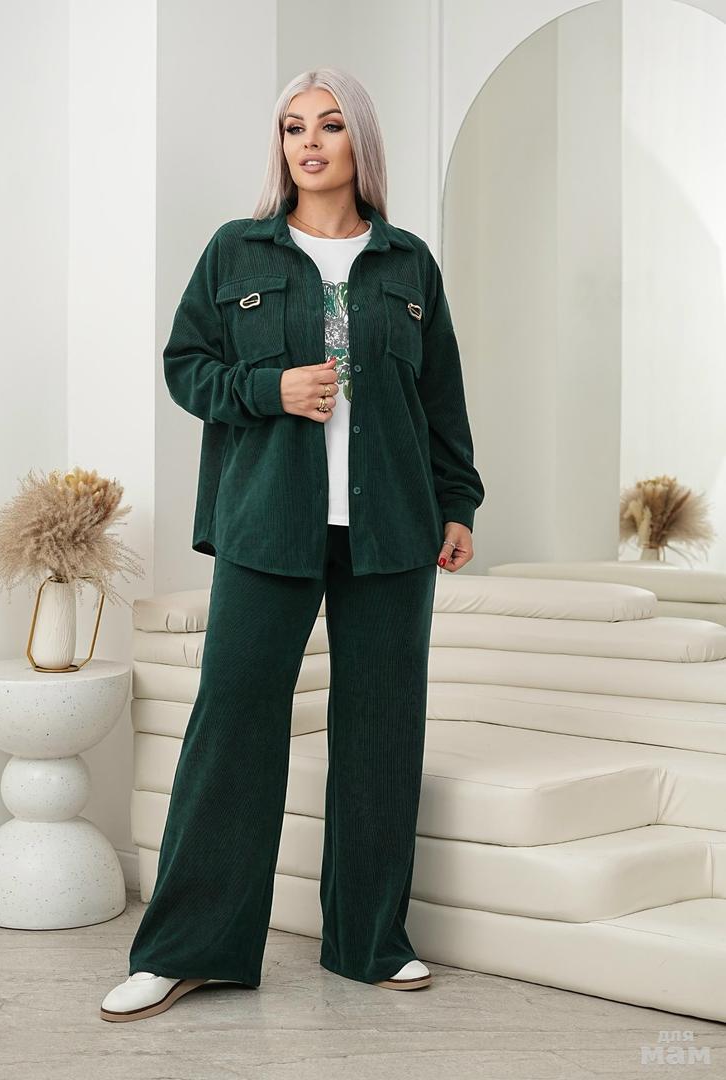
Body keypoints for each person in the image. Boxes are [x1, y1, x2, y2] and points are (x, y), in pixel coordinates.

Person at [100, 66, 484, 1023]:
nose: (309, 142)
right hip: (267, 522)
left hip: (392, 529)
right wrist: (268, 390)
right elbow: (186, 367)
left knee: (381, 734)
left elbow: (441, 399)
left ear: (361, 141)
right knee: (232, 726)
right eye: (292, 127)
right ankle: (187, 950)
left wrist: (459, 503)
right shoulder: (237, 250)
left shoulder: (409, 264)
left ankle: (369, 942)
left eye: (330, 125)